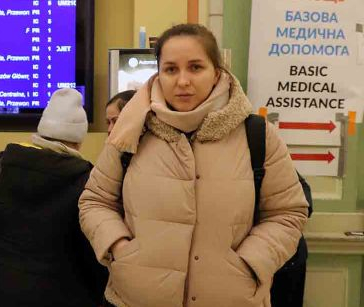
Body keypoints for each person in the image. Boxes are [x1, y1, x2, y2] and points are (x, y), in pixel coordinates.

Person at [79, 24, 309, 307]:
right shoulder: (131, 130)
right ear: (159, 74)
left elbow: (288, 212)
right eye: (171, 69)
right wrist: (120, 249)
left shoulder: (257, 135)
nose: (183, 81)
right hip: (136, 298)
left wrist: (250, 262)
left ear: (217, 72)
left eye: (196, 67)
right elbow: (95, 201)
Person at [0, 88, 108, 307]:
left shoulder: (4, 163)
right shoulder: (85, 180)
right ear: (78, 140)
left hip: (0, 290)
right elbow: (90, 256)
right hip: (61, 295)